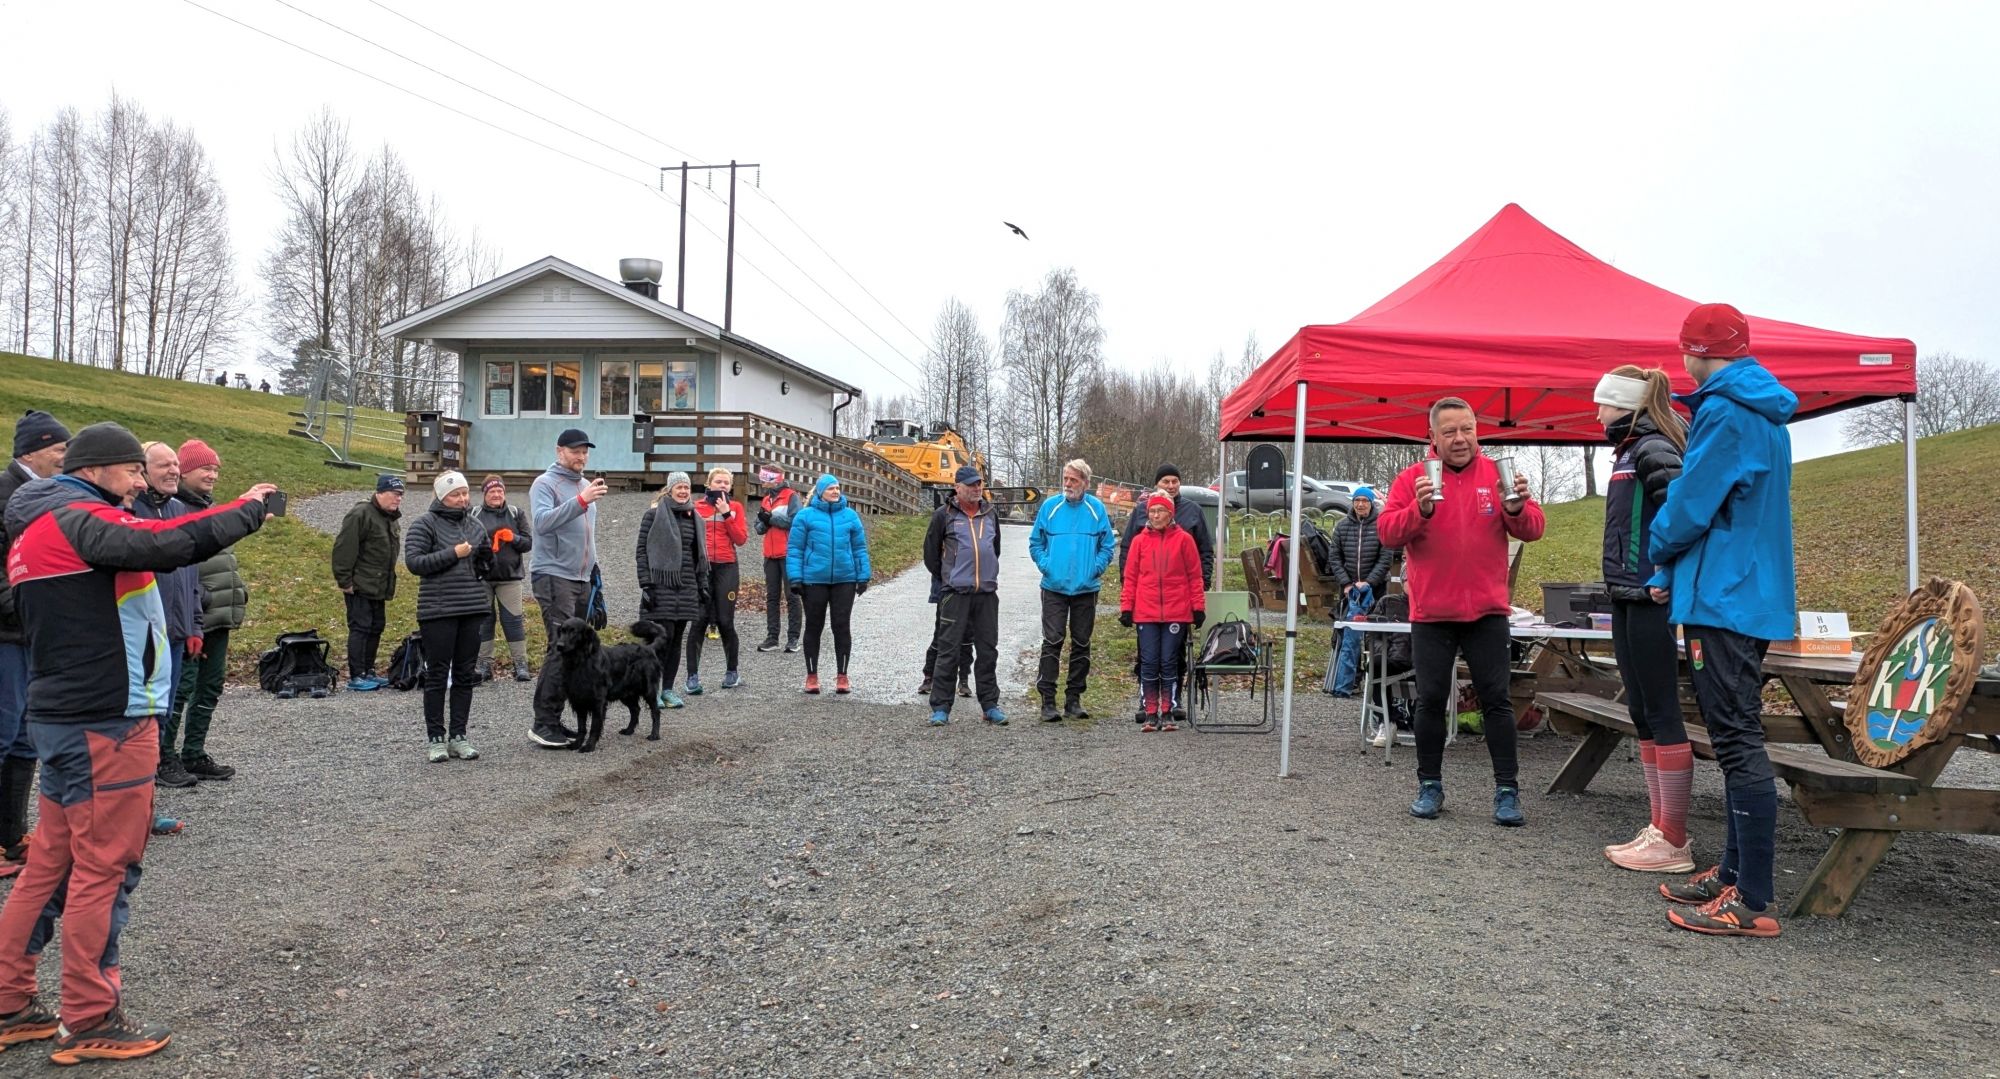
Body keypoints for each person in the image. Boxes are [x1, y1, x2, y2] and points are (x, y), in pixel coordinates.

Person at [0, 420, 271, 1063]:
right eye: (130, 471)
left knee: (51, 864)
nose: (138, 485)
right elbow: (168, 539)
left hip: (68, 718)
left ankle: (10, 1000)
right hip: (109, 722)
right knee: (105, 868)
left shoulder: (34, 532)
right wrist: (248, 510)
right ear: (94, 471)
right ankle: (90, 1017)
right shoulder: (76, 519)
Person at [1650, 303, 1796, 938]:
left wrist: (1658, 549)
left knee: (1735, 738)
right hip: (1751, 590)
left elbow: (1692, 501)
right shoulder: (1764, 411)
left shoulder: (1723, 412)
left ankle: (1753, 899)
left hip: (1725, 597)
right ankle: (1734, 873)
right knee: (1737, 730)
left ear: (1693, 351)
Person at [1377, 398, 1546, 826]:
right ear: (1431, 437)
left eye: (1467, 429)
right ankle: (1429, 785)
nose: (1460, 439)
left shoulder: (1497, 474)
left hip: (1487, 611)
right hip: (1433, 612)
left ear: (1477, 431)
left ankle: (1507, 790)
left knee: (1497, 701)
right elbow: (1387, 532)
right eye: (1449, 431)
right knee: (1431, 700)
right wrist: (1420, 511)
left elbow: (1534, 528)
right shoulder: (1412, 479)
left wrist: (1516, 509)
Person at [1593, 365, 1693, 873]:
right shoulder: (1629, 450)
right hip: (1626, 594)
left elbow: (1681, 512)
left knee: (1660, 708)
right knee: (1640, 711)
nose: (1597, 412)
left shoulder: (1654, 447)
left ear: (1627, 404)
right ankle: (1659, 826)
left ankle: (1674, 838)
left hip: (1651, 595)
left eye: (1604, 404)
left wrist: (1667, 573)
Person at [0, 410, 68, 881]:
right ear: (31, 450)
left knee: (26, 739)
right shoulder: (5, 492)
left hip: (33, 633)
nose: (65, 458)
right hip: (7, 631)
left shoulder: (47, 496)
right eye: (59, 449)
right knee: (3, 733)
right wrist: (23, 606)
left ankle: (12, 835)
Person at [165, 439, 248, 784]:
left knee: (210, 686)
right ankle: (163, 757)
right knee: (180, 688)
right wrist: (196, 602)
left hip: (218, 616)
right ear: (185, 472)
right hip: (190, 617)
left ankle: (194, 752)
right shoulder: (174, 511)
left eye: (215, 468)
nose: (212, 474)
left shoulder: (209, 510)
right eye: (205, 468)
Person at [403, 471, 491, 764]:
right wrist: (453, 553)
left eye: (465, 493)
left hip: (473, 607)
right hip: (438, 610)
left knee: (466, 675)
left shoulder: (476, 525)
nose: (462, 499)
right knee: (438, 674)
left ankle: (459, 736)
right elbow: (415, 563)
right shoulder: (424, 524)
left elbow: (483, 564)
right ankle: (436, 738)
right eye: (455, 494)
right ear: (441, 496)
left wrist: (488, 561)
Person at [528, 429, 608, 747]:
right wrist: (579, 502)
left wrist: (596, 579)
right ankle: (543, 722)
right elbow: (542, 523)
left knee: (575, 652)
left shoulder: (587, 486)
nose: (582, 456)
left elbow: (588, 537)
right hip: (552, 575)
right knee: (560, 648)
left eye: (585, 451)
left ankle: (556, 720)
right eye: (575, 450)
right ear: (559, 451)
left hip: (581, 578)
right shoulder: (545, 484)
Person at [131, 444, 204, 788]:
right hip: (143, 636)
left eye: (176, 463)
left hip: (176, 634)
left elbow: (191, 575)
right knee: (139, 720)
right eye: (165, 465)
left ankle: (147, 792)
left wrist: (194, 625)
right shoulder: (130, 511)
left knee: (163, 712)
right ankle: (134, 792)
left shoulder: (179, 510)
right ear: (142, 471)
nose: (174, 470)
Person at [1028, 458, 1115, 721]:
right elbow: (1035, 542)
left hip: (1086, 589)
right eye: (1066, 479)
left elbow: (1108, 546)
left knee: (1081, 644)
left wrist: (1095, 568)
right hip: (1054, 587)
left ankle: (1074, 700)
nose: (1068, 484)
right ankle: (1047, 701)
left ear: (1085, 483)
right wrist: (1047, 565)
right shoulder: (1050, 507)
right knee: (1052, 642)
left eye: (1074, 480)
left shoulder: (1096, 509)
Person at [923, 466, 1001, 726]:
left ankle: (990, 705)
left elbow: (995, 549)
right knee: (948, 651)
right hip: (955, 594)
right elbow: (931, 555)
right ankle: (941, 708)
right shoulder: (942, 516)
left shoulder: (991, 514)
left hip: (986, 594)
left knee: (988, 651)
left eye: (979, 483)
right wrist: (950, 578)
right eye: (970, 484)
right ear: (957, 488)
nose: (977, 488)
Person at [1121, 492, 1205, 732]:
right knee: (1149, 661)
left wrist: (1198, 607)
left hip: (1176, 610)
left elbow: (1194, 576)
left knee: (1169, 661)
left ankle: (1167, 710)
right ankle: (1150, 712)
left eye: (1160, 511)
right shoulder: (1139, 541)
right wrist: (1127, 607)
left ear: (1170, 514)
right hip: (1146, 611)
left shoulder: (1184, 540)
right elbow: (1131, 578)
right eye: (1152, 511)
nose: (1156, 515)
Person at [786, 473, 871, 696]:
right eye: (831, 488)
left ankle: (842, 675)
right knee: (814, 626)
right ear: (820, 491)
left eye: (838, 488)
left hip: (845, 578)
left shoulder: (851, 516)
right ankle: (811, 676)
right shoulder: (805, 517)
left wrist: (863, 576)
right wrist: (795, 578)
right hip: (814, 580)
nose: (836, 491)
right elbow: (795, 549)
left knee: (841, 626)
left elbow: (859, 548)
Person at [636, 472, 708, 709]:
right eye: (679, 487)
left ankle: (668, 689)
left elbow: (699, 557)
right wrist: (646, 584)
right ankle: (652, 689)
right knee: (660, 641)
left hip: (686, 588)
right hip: (660, 586)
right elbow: (641, 553)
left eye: (686, 487)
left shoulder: (694, 518)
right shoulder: (653, 516)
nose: (683, 491)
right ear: (669, 489)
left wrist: (702, 586)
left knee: (676, 641)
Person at [331, 475, 405, 691]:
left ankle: (369, 669)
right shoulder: (360, 514)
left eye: (400, 495)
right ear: (380, 492)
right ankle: (356, 675)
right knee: (360, 627)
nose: (398, 499)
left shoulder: (390, 517)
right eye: (394, 494)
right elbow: (344, 548)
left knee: (376, 626)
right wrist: (344, 580)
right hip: (360, 585)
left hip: (380, 585)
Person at [1329, 485, 1396, 701]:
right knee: (1348, 637)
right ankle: (1349, 681)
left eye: (1364, 501)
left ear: (1371, 503)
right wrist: (1347, 583)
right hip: (1349, 591)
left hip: (1375, 590)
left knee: (1374, 638)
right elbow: (1335, 557)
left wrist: (1368, 582)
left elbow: (1385, 558)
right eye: (1357, 500)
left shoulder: (1381, 526)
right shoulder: (1341, 527)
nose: (1360, 504)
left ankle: (1375, 683)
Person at [687, 468, 749, 692]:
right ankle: (692, 676)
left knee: (725, 621)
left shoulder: (736, 507)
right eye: (719, 481)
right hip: (702, 569)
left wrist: (725, 514)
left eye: (726, 483)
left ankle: (732, 672)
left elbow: (741, 539)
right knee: (699, 620)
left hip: (727, 567)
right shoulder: (695, 507)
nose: (723, 485)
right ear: (709, 484)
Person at [472, 475, 533, 683]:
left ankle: (520, 664)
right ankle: (483, 664)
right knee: (484, 621)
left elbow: (528, 543)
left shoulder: (516, 513)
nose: (497, 495)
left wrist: (513, 538)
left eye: (500, 491)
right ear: (485, 494)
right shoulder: (474, 514)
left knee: (513, 621)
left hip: (510, 577)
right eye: (492, 492)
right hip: (482, 578)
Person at [1118, 463, 1215, 590]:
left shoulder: (1193, 510)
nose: (1171, 486)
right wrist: (1126, 582)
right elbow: (1127, 548)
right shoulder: (1142, 510)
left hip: (1182, 589)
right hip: (1147, 588)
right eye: (1166, 481)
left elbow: (1205, 550)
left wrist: (1203, 584)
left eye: (1175, 481)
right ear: (1157, 484)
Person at [753, 467, 803, 653]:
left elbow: (796, 522)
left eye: (764, 478)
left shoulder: (791, 496)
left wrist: (770, 519)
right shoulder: (766, 499)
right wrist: (764, 521)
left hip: (788, 553)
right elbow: (759, 528)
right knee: (772, 597)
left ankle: (793, 639)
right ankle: (772, 638)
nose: (761, 482)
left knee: (792, 596)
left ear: (774, 480)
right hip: (770, 554)